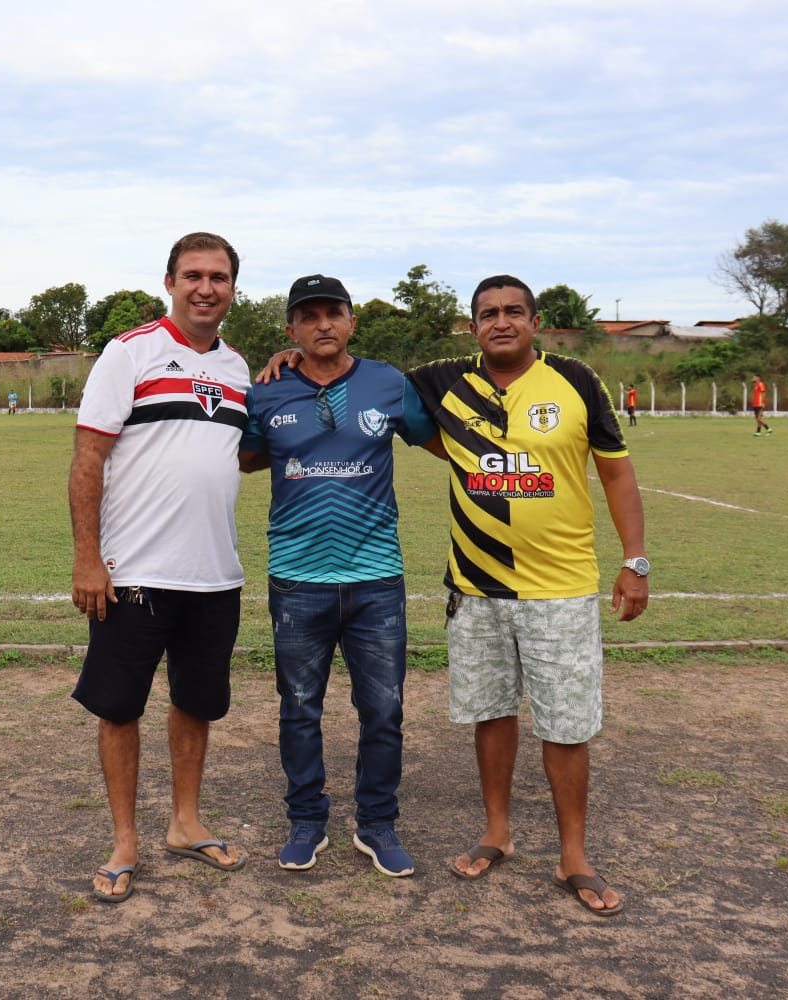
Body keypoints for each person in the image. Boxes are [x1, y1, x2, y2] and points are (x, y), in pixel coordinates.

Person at [406, 275, 648, 917]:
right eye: (489, 313)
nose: (501, 321)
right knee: (491, 714)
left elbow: (617, 472)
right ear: (473, 324)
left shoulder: (575, 379)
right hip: (477, 589)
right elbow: (359, 377)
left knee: (566, 726)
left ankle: (574, 855)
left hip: (562, 590)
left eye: (514, 311)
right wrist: (287, 355)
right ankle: (497, 832)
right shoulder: (441, 381)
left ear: (534, 321)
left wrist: (635, 561)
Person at [69, 231, 251, 903]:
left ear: (233, 288)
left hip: (214, 575)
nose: (207, 287)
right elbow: (89, 457)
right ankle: (124, 841)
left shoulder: (238, 369)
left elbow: (240, 453)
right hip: (134, 572)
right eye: (194, 274)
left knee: (195, 704)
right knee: (120, 709)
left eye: (220, 277)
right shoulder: (130, 352)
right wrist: (88, 558)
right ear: (170, 281)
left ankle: (185, 822)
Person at [239, 275, 437, 877]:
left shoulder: (388, 383)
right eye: (309, 316)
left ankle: (377, 824)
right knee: (299, 706)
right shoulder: (266, 393)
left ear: (351, 322)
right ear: (291, 330)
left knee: (384, 709)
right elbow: (245, 458)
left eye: (334, 313)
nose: (323, 324)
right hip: (297, 579)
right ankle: (307, 819)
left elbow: (440, 442)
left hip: (377, 578)